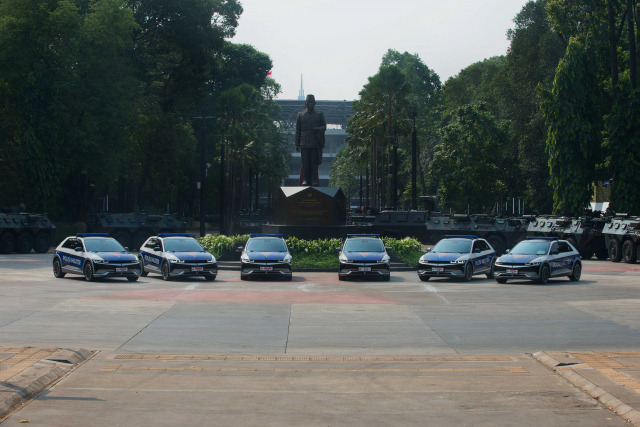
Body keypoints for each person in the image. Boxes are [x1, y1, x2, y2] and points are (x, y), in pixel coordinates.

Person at [295, 94, 326, 186]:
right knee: (305, 163)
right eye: (309, 102)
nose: (310, 103)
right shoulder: (300, 115)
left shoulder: (319, 114)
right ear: (306, 103)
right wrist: (297, 144)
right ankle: (305, 179)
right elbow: (298, 130)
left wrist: (318, 129)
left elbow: (324, 127)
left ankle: (313, 179)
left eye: (312, 102)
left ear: (315, 103)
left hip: (315, 141)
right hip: (304, 142)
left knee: (314, 163)